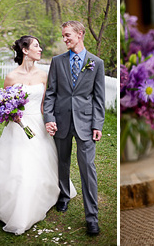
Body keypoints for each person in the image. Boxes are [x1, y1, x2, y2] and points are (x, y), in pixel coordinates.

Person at [0, 35, 77, 234]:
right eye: (36, 45)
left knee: (42, 162)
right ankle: (14, 206)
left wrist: (50, 122)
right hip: (19, 126)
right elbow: (4, 104)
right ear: (25, 50)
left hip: (39, 124)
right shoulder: (11, 77)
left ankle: (45, 195)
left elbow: (45, 104)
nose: (40, 49)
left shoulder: (44, 75)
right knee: (19, 165)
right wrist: (12, 115)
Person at [44, 21, 105, 236]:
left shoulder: (96, 63)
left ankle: (92, 217)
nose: (64, 39)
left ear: (80, 34)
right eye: (63, 36)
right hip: (60, 121)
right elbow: (51, 93)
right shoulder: (57, 61)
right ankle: (63, 196)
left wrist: (97, 124)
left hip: (86, 124)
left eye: (68, 35)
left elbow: (99, 98)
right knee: (62, 162)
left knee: (87, 168)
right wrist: (49, 118)